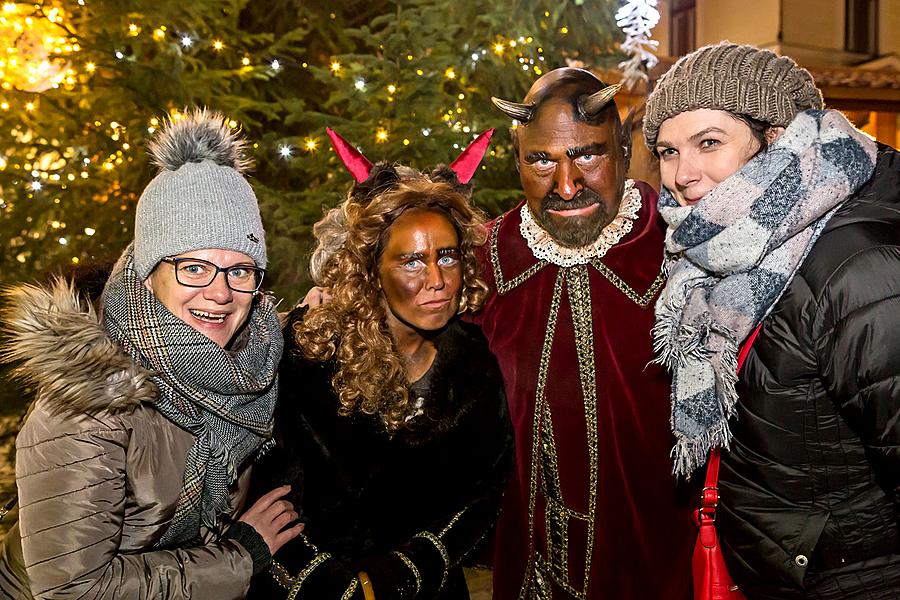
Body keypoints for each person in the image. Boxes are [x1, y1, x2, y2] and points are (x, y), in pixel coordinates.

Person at [0, 108, 302, 599]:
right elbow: (73, 588)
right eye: (193, 267)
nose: (220, 294)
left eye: (240, 270)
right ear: (147, 273)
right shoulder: (87, 405)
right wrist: (241, 555)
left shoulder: (249, 361)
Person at [644, 42, 900, 599]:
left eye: (709, 143)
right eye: (667, 151)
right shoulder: (710, 252)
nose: (684, 173)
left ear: (780, 138)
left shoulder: (858, 266)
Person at [245, 130, 514, 599]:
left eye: (446, 257)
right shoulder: (304, 353)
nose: (436, 280)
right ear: (370, 270)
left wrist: (399, 575)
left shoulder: (473, 367)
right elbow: (270, 494)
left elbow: (480, 494)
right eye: (411, 262)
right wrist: (340, 589)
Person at [484, 68, 694, 599]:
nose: (567, 185)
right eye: (540, 161)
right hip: (527, 569)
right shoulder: (484, 261)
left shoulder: (684, 247)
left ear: (624, 147)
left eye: (587, 154)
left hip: (660, 566)